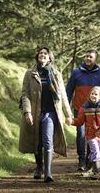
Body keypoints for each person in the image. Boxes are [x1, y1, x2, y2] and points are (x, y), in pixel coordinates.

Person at [19, 46, 73, 183]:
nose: (43, 55)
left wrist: (68, 114)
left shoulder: (56, 74)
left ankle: (48, 172)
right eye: (41, 53)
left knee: (48, 141)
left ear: (50, 57)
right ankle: (39, 167)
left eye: (45, 53)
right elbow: (25, 94)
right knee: (37, 142)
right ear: (37, 56)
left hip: (50, 112)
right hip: (35, 112)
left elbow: (63, 96)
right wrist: (27, 112)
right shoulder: (30, 73)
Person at [66, 49, 100, 171]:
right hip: (80, 109)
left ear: (95, 59)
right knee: (81, 134)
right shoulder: (76, 73)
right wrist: (66, 108)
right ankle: (81, 160)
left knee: (92, 135)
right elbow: (69, 90)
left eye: (90, 57)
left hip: (96, 111)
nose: (87, 58)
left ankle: (89, 160)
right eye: (86, 56)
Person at [65, 86, 100, 180]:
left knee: (94, 153)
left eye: (96, 94)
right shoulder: (85, 107)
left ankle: (88, 170)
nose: (93, 95)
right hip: (90, 135)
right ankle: (96, 172)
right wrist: (71, 121)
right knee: (96, 152)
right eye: (92, 94)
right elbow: (80, 121)